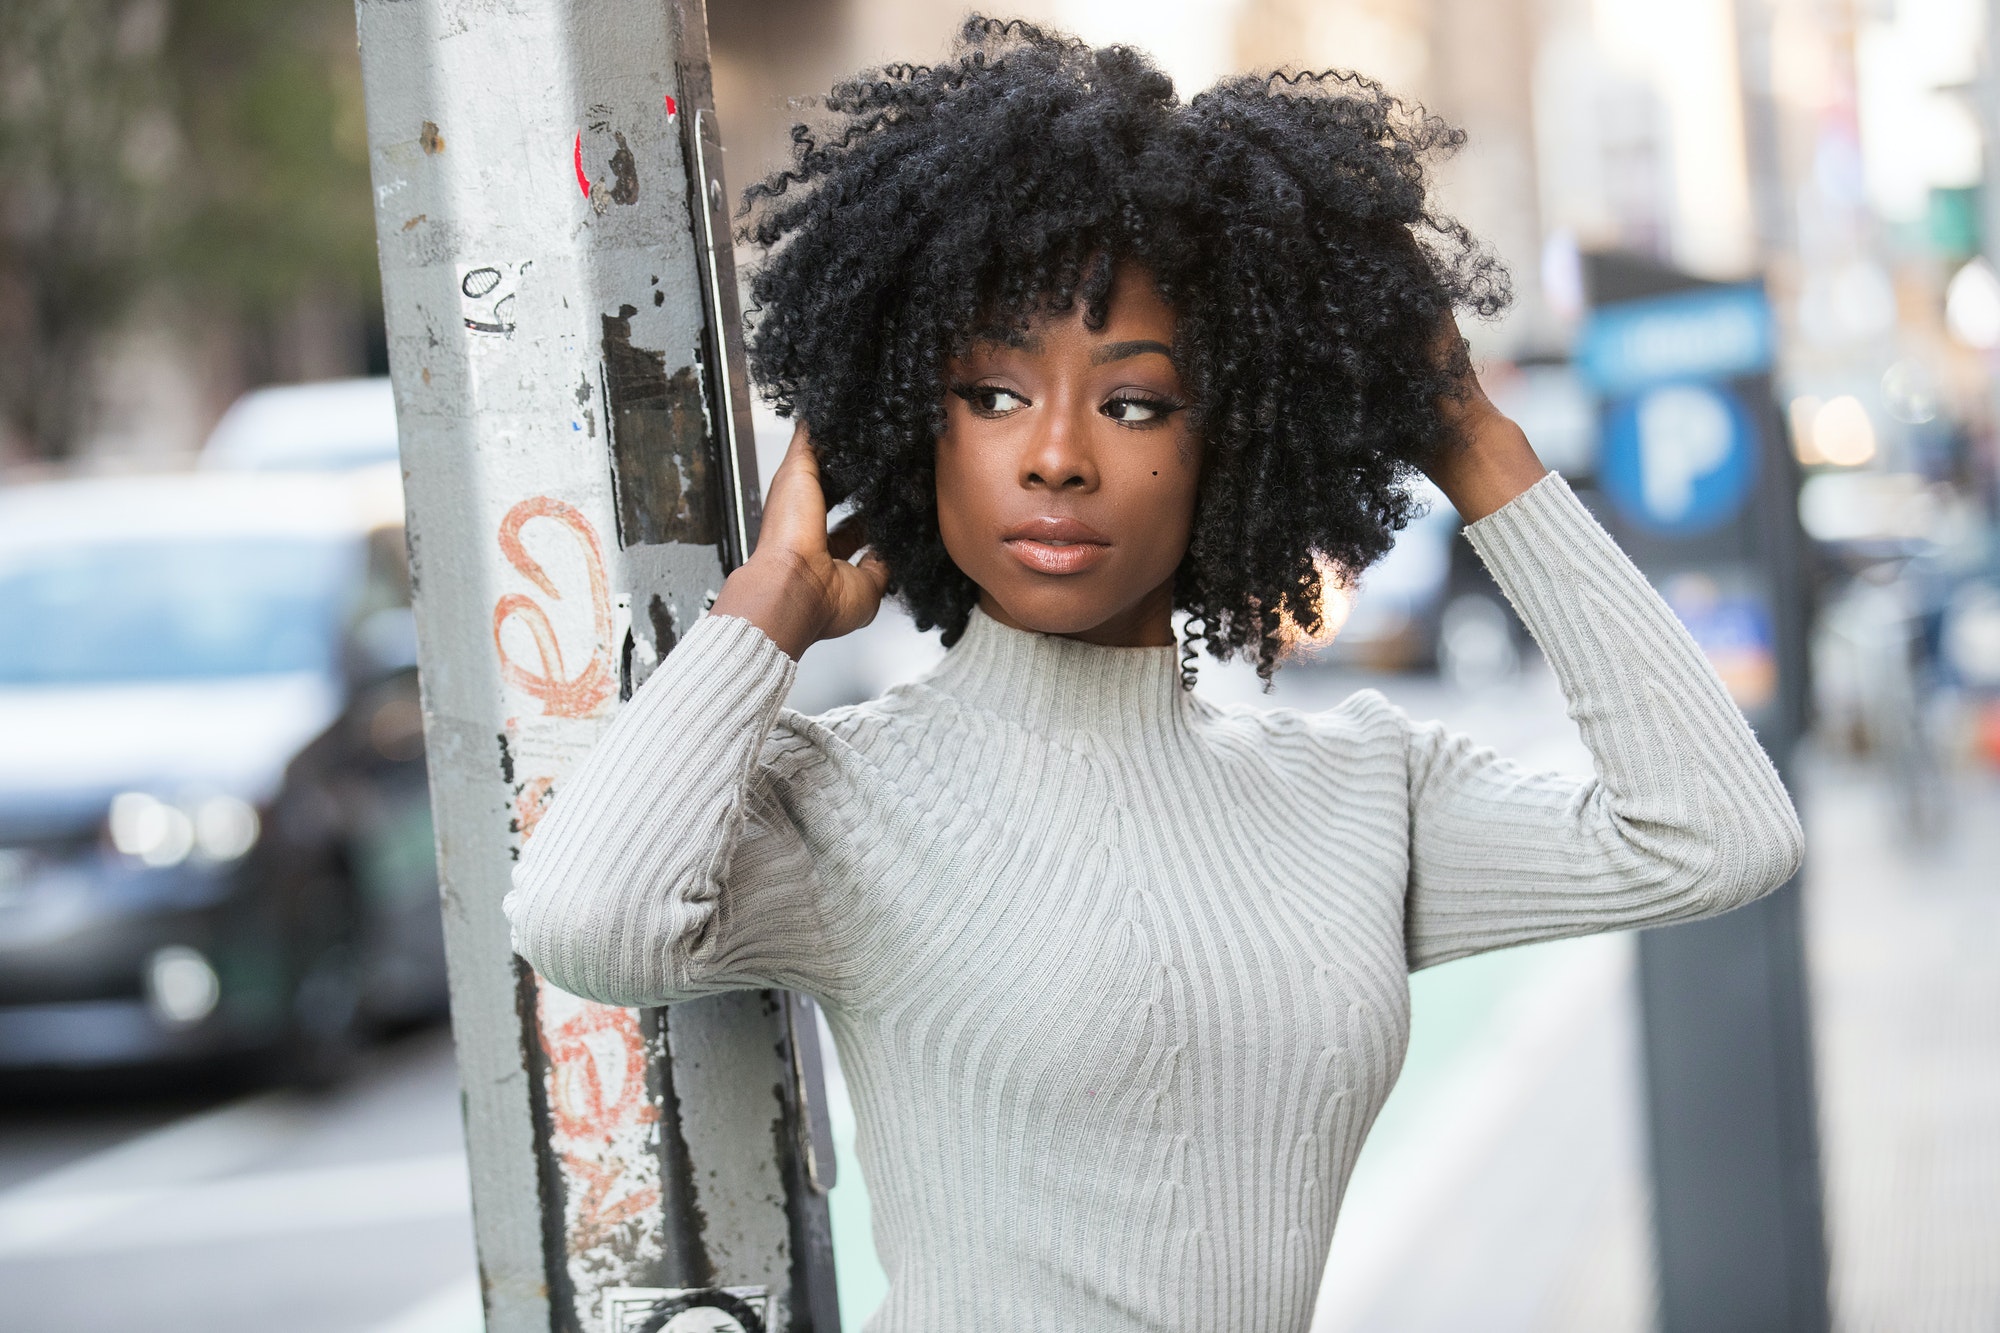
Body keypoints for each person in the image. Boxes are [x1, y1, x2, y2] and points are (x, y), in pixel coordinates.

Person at [505, 19, 1802, 1332]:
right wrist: (770, 603)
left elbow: (1715, 834)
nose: (1059, 453)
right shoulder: (841, 799)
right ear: (906, 427)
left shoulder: (1360, 790)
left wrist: (1469, 438)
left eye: (1134, 404)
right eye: (994, 395)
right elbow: (585, 923)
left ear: (1227, 442)